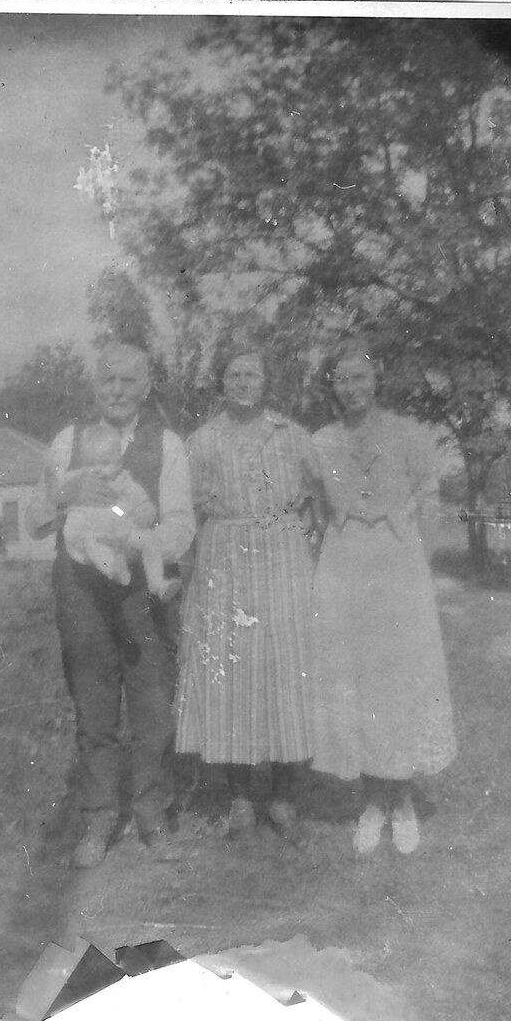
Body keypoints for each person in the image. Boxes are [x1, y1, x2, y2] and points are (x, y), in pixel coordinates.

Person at [26, 343, 195, 867]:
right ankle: (98, 819)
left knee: (150, 705)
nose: (117, 391)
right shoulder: (66, 443)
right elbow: (32, 521)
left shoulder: (166, 444)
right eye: (108, 382)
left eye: (128, 381)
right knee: (94, 708)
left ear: (146, 387)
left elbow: (182, 524)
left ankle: (151, 814)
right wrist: (64, 491)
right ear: (94, 388)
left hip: (142, 591)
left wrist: (137, 540)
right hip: (80, 590)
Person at [310, 335, 457, 855]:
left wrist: (419, 555)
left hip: (398, 569)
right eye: (342, 379)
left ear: (377, 381)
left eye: (361, 377)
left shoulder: (408, 435)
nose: (352, 388)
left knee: (398, 683)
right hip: (345, 569)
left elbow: (431, 497)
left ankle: (403, 801)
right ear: (332, 385)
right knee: (357, 683)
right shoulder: (321, 442)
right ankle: (373, 801)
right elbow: (314, 510)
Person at [175, 351, 319, 839]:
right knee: (230, 671)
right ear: (221, 382)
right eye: (233, 374)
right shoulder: (201, 441)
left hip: (282, 555)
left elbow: (320, 498)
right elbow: (185, 514)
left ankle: (280, 797)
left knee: (283, 667)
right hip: (224, 556)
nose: (242, 382)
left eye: (251, 374)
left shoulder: (292, 436)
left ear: (265, 381)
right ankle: (238, 797)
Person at [62, 422, 182, 602]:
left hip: (123, 531)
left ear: (118, 463)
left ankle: (158, 583)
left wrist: (145, 511)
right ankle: (113, 569)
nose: (96, 469)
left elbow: (141, 503)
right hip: (94, 532)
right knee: (93, 544)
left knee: (149, 540)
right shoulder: (81, 484)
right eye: (90, 464)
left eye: (104, 463)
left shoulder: (124, 482)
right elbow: (66, 499)